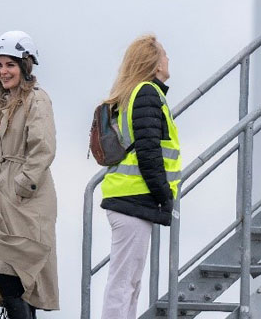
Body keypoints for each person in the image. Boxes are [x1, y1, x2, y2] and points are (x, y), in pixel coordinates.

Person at [0, 31, 59, 318]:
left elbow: (43, 149)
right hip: (1, 201)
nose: (3, 72)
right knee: (14, 280)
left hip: (25, 204)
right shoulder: (6, 103)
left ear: (26, 65)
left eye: (10, 65)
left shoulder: (37, 100)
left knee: (14, 276)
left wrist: (20, 189)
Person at [99, 34, 180, 319]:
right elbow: (149, 152)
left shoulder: (133, 93)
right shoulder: (146, 93)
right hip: (133, 198)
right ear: (155, 63)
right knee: (124, 283)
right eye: (165, 54)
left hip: (129, 198)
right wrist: (164, 196)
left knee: (129, 283)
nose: (169, 59)